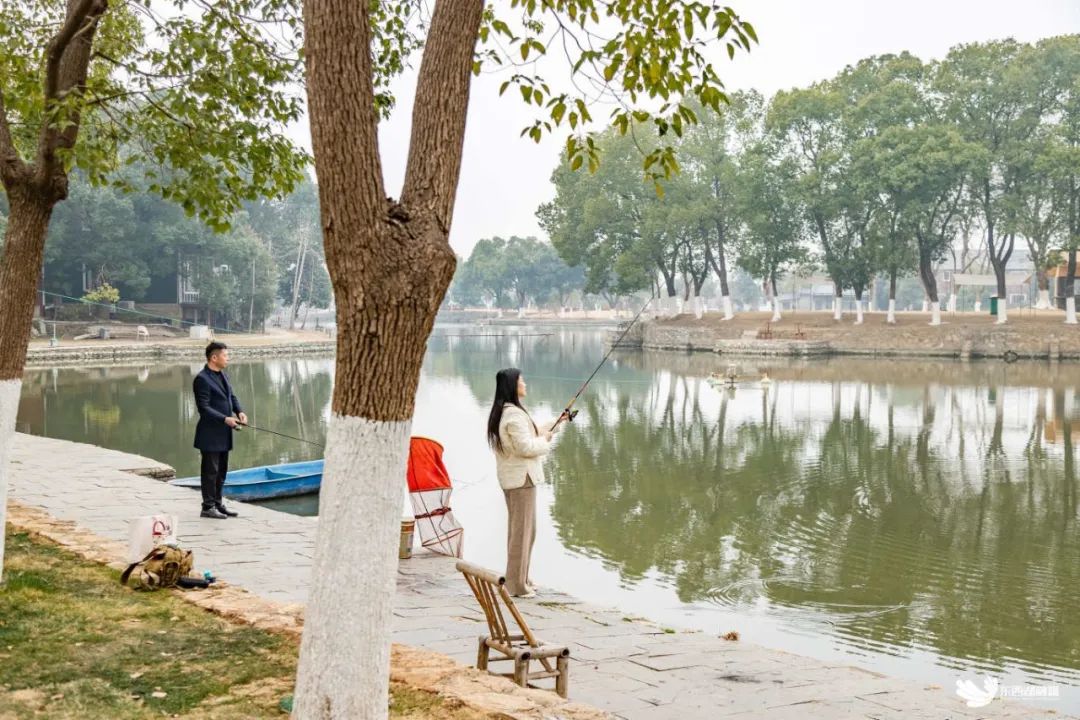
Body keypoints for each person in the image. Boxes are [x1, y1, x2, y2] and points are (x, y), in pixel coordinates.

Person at [487, 368, 562, 597]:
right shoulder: (513, 415)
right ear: (513, 385)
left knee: (526, 531)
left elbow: (532, 433)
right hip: (522, 480)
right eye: (522, 381)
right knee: (522, 533)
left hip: (517, 480)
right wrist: (546, 441)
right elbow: (526, 447)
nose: (525, 384)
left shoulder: (509, 412)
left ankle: (522, 578)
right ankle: (516, 585)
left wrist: (558, 422)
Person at [193, 341, 247, 519]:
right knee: (210, 472)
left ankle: (217, 503)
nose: (228, 358)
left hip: (224, 433)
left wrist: (239, 411)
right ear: (214, 358)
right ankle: (207, 507)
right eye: (225, 355)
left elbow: (231, 396)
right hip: (210, 434)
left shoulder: (223, 375)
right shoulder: (202, 379)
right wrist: (225, 418)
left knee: (221, 471)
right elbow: (204, 408)